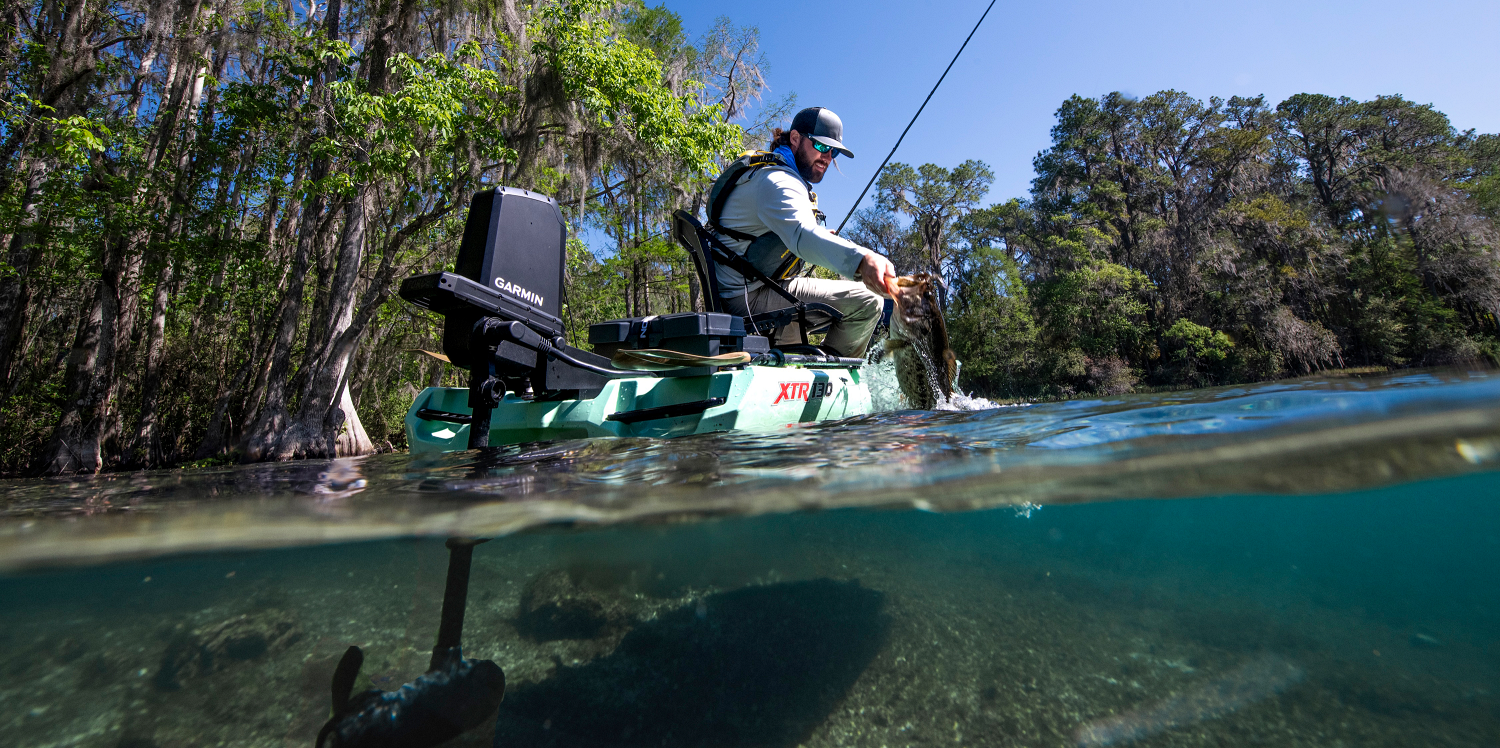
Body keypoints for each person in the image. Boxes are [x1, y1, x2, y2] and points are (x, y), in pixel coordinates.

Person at [707, 106, 898, 358]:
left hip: (750, 290)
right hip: (747, 298)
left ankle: (812, 368)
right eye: (820, 146)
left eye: (834, 151)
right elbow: (801, 235)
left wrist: (816, 237)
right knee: (868, 302)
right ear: (795, 139)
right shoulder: (777, 180)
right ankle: (834, 377)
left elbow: (786, 234)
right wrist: (862, 259)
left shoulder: (766, 174)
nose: (828, 157)